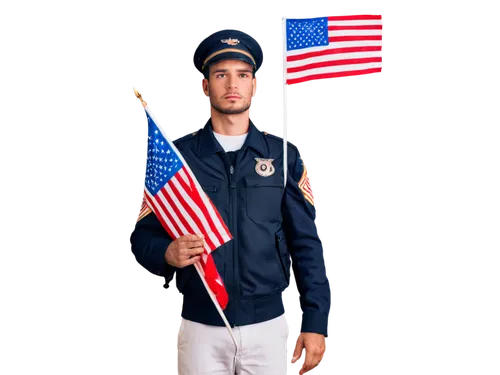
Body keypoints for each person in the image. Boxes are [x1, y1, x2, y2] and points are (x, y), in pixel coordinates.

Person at [130, 26, 333, 375]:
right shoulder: (176, 159)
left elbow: (308, 245)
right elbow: (140, 238)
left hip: (269, 327)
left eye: (243, 75)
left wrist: (315, 321)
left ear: (256, 85)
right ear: (205, 86)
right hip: (199, 326)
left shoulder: (284, 157)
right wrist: (166, 253)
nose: (232, 84)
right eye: (221, 74)